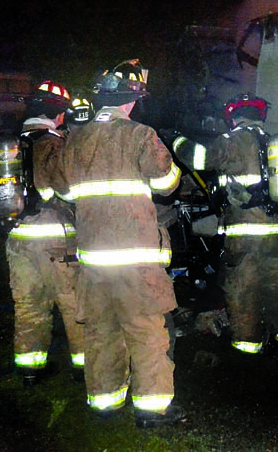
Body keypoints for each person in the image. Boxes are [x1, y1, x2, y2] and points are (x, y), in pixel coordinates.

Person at [58, 60, 184, 428]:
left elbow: (66, 192)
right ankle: (151, 410)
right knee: (146, 333)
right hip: (137, 261)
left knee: (100, 332)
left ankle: (104, 403)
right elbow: (167, 184)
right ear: (131, 101)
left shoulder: (74, 138)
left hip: (93, 261)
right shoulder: (140, 134)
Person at [171, 94, 278, 358]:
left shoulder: (233, 141)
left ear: (233, 116)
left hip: (245, 235)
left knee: (241, 289)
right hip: (276, 234)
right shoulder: (273, 143)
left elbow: (200, 159)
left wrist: (177, 140)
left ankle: (246, 349)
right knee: (276, 286)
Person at [6, 80, 84, 386]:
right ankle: (84, 368)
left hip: (17, 238)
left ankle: (30, 370)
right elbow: (69, 189)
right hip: (55, 240)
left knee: (29, 305)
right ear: (58, 113)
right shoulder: (52, 144)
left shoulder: (9, 144)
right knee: (74, 304)